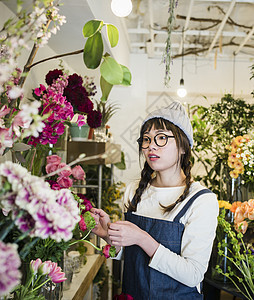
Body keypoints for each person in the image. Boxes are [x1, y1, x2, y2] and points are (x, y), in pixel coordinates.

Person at [91, 101, 219, 299]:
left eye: (161, 138)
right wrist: (108, 234)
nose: (151, 146)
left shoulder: (201, 200)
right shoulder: (134, 191)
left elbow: (193, 275)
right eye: (146, 139)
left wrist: (142, 238)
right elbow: (130, 256)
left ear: (183, 146)